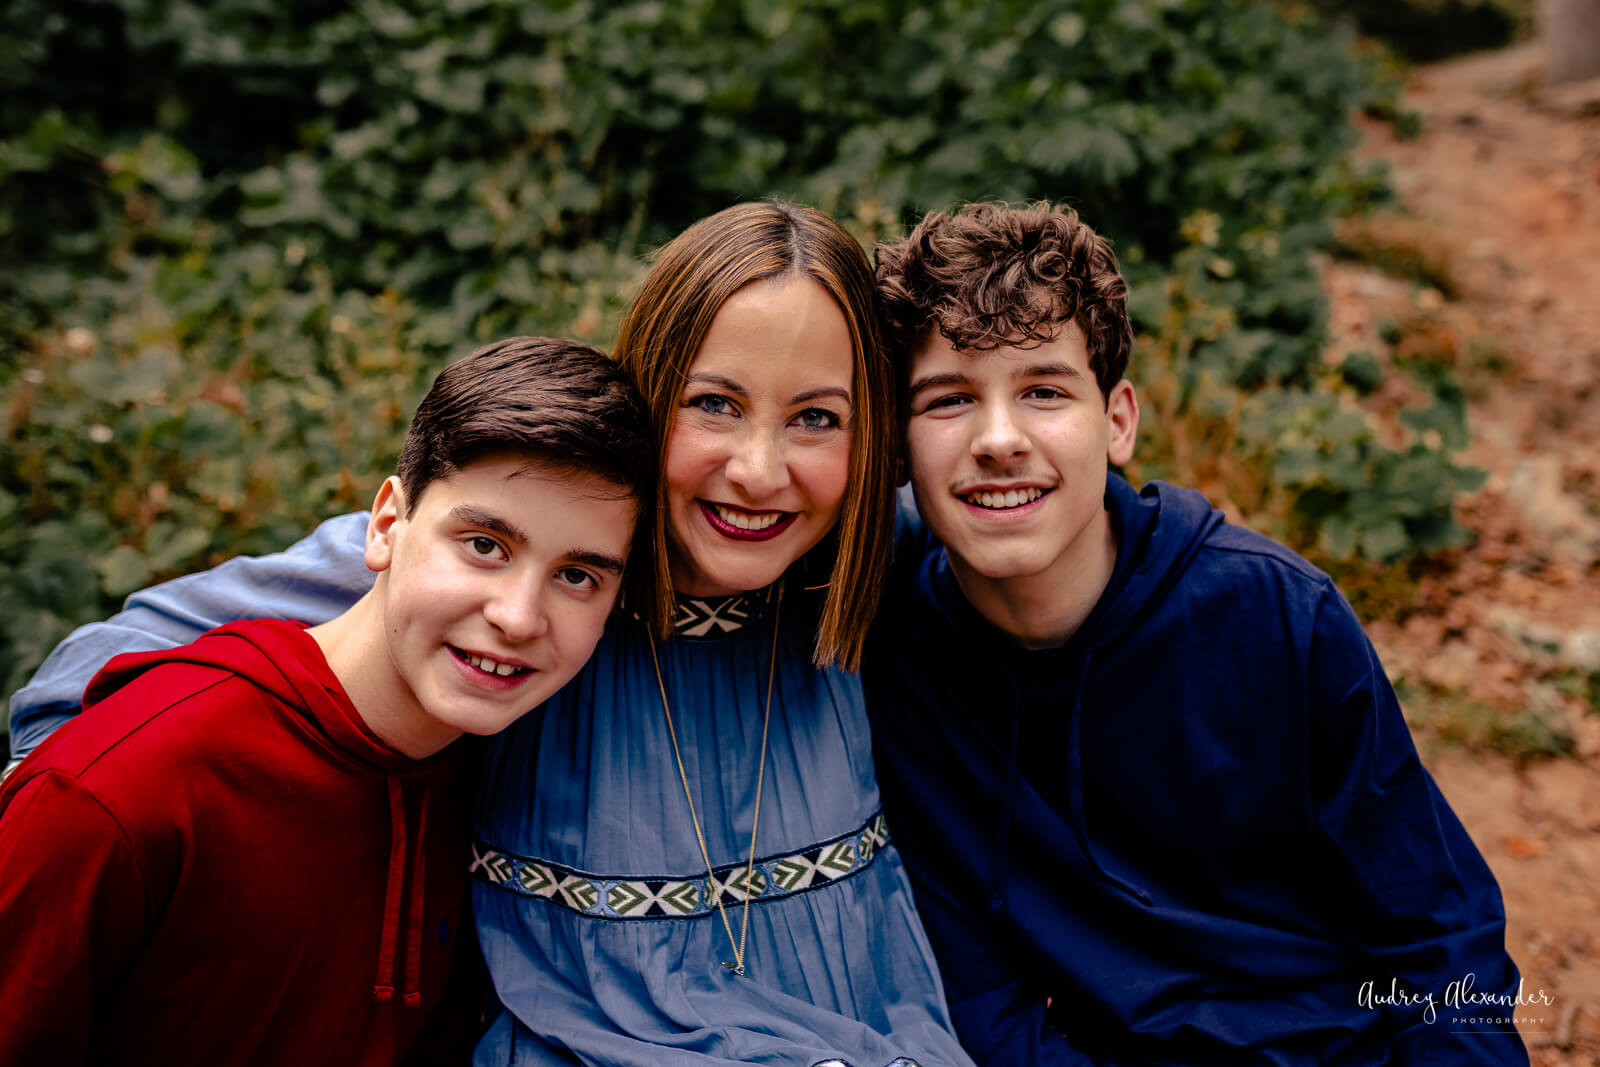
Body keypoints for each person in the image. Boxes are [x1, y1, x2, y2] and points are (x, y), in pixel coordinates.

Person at [8, 203, 974, 1067]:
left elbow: (1020, 536)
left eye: (817, 418)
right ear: (648, 394)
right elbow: (121, 668)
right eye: (714, 404)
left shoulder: (864, 554)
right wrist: (75, 821)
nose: (760, 470)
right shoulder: (523, 553)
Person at [862, 201, 1529, 1065]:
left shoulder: (1278, 614)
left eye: (1044, 391)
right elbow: (986, 1004)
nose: (998, 439)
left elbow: (1441, 940)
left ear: (1118, 421)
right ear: (898, 445)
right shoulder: (898, 664)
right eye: (950, 399)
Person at [0, 336, 653, 1066]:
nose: (519, 617)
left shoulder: (505, 774)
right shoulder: (119, 789)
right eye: (483, 545)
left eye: (577, 576)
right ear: (385, 526)